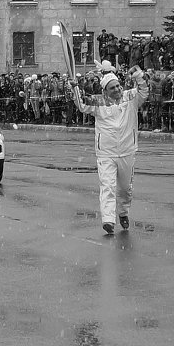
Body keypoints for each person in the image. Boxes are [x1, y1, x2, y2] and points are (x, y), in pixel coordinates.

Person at [69, 66, 150, 235]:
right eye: (112, 88)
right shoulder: (98, 102)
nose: (117, 89)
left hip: (127, 151)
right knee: (108, 186)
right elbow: (82, 104)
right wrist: (75, 87)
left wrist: (138, 75)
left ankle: (123, 212)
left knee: (125, 189)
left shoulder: (130, 97)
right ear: (105, 91)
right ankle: (108, 220)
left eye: (118, 86)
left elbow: (144, 91)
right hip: (106, 153)